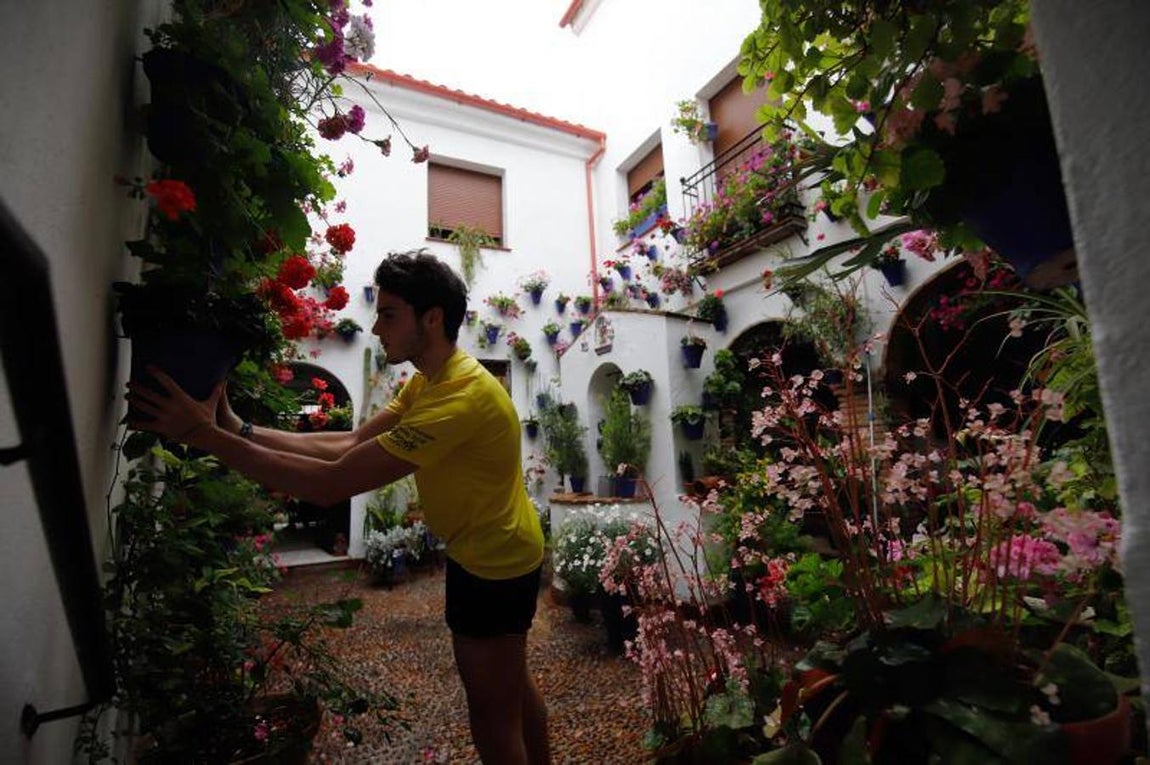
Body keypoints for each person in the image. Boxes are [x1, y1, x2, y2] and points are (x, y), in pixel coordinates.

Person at [128, 250, 550, 765]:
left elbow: (330, 484)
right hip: (498, 548)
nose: (376, 327)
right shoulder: (431, 381)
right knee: (511, 685)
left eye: (390, 314)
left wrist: (204, 437)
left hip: (493, 563)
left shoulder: (459, 398)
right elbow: (349, 444)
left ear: (432, 318)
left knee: (491, 714)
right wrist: (238, 429)